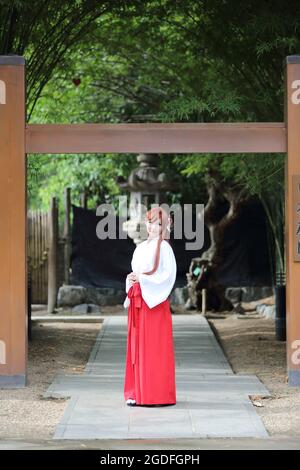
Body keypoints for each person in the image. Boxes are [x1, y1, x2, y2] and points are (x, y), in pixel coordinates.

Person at [123, 206, 177, 407]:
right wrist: (132, 279)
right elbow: (136, 273)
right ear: (146, 224)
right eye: (151, 223)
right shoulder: (141, 248)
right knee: (137, 350)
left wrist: (143, 280)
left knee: (155, 350)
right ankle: (137, 392)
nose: (154, 227)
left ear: (164, 227)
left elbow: (167, 277)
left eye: (158, 224)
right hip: (139, 303)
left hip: (154, 304)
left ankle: (157, 394)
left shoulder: (165, 248)